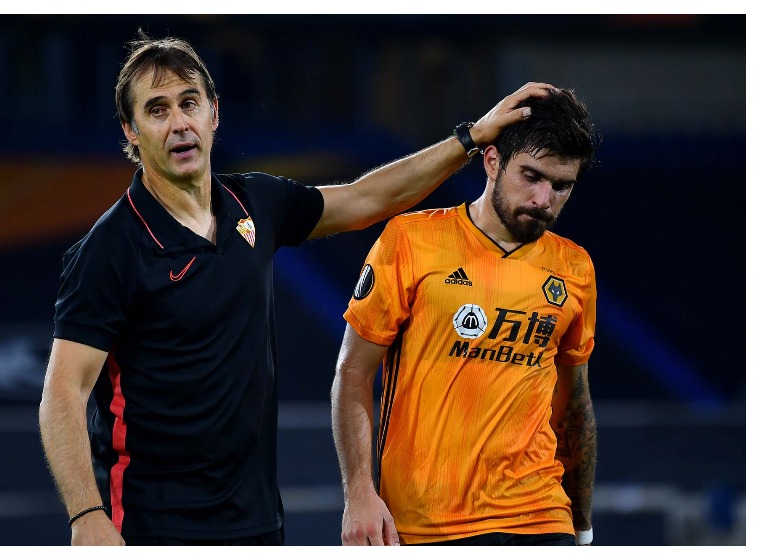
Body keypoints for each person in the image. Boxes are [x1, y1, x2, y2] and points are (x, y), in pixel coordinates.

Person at [37, 29, 555, 546]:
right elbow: (63, 392)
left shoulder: (255, 204)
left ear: (214, 113)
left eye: (189, 103)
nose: (179, 123)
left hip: (257, 523)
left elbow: (364, 199)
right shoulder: (109, 249)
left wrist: (470, 139)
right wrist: (87, 515)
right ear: (131, 131)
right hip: (152, 527)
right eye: (157, 110)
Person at [332, 87, 601, 546]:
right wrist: (358, 492)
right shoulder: (411, 241)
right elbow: (353, 373)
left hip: (539, 516)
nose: (543, 199)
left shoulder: (575, 267)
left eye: (561, 186)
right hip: (426, 523)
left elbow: (574, 404)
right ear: (492, 161)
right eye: (531, 176)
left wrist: (582, 524)